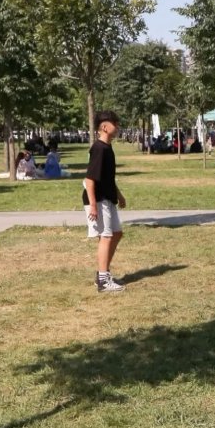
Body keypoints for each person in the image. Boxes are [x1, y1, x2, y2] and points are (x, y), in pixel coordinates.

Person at [82, 110, 127, 293]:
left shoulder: (108, 148)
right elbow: (90, 180)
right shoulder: (99, 149)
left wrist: (119, 195)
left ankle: (102, 273)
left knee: (116, 234)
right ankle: (102, 280)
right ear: (105, 127)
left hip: (108, 198)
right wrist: (93, 205)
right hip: (98, 199)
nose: (118, 127)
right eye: (115, 123)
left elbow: (107, 177)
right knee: (106, 236)